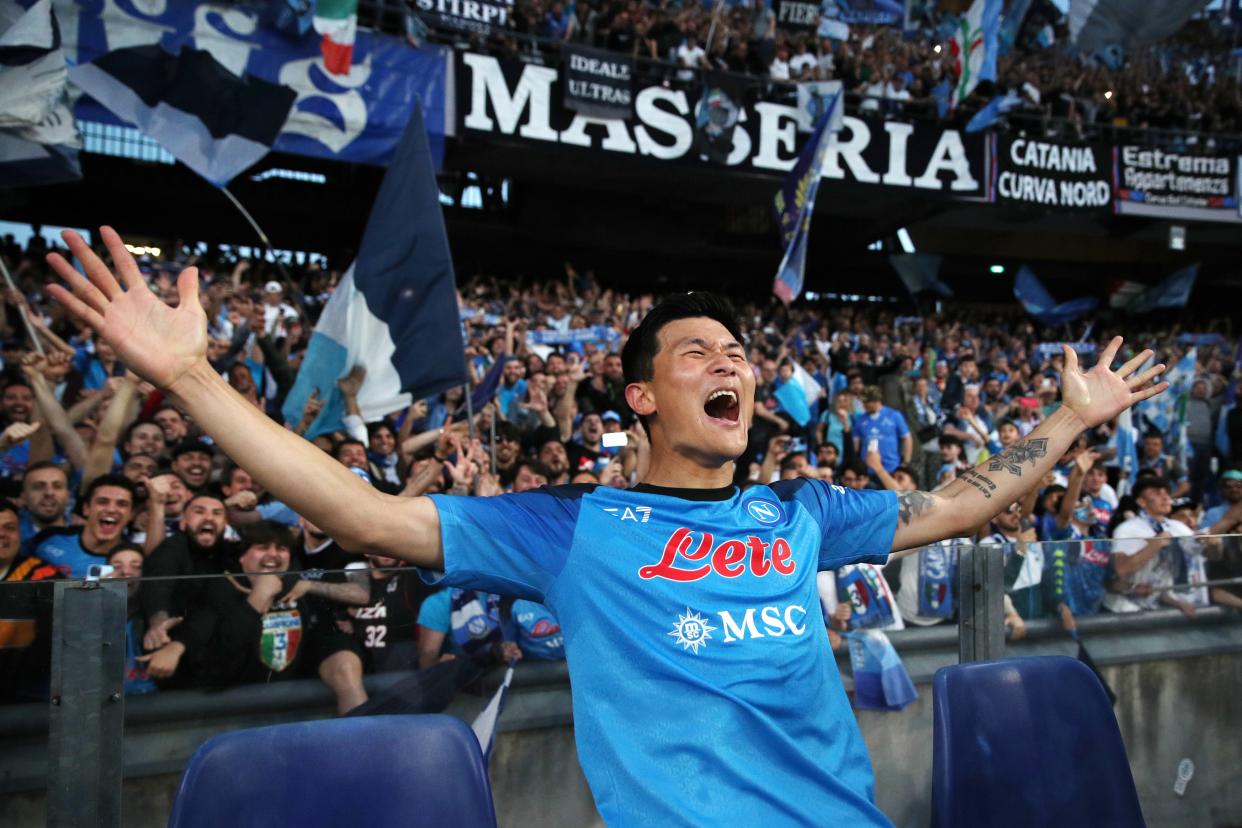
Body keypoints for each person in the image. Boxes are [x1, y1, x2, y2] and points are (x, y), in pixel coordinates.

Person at [47, 232, 1167, 826]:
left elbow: (961, 500)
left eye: (740, 352)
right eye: (699, 352)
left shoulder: (802, 511)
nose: (732, 361)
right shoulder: (569, 530)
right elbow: (360, 510)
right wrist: (191, 377)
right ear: (640, 398)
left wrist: (1068, 419)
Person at [34, 473, 136, 577]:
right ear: (86, 508)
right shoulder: (49, 537)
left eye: (122, 504)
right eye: (102, 502)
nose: (111, 509)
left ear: (131, 514)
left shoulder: (132, 562)